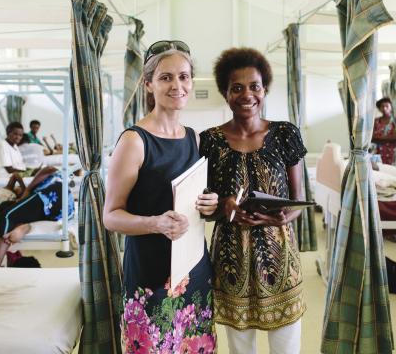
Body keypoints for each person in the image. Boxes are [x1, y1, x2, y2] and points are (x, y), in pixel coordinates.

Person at [103, 41, 218, 353]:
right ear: (149, 84)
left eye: (184, 77)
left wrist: (208, 204)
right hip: (150, 273)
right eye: (166, 78)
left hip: (193, 267)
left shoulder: (194, 137)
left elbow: (189, 200)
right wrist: (155, 223)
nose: (177, 85)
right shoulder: (134, 141)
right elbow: (111, 215)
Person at [199, 48, 306, 354]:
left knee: (286, 346)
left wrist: (286, 215)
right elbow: (205, 208)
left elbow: (296, 201)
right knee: (240, 347)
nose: (247, 94)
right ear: (225, 92)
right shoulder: (209, 141)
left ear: (265, 89)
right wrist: (225, 206)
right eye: (237, 87)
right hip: (232, 260)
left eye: (254, 86)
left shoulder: (285, 134)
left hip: (281, 256)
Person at [0, 166, 73, 266]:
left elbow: (50, 168)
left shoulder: (47, 182)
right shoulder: (34, 201)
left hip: (53, 196)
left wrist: (27, 189)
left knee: (6, 216)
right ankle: (23, 228)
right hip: (62, 210)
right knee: (9, 214)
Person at [372, 97, 396, 165]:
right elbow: (371, 138)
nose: (384, 108)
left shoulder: (395, 121)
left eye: (387, 106)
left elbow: (395, 137)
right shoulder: (375, 121)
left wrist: (378, 138)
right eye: (382, 106)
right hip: (377, 152)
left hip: (391, 154)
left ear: (391, 107)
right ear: (379, 108)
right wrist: (387, 137)